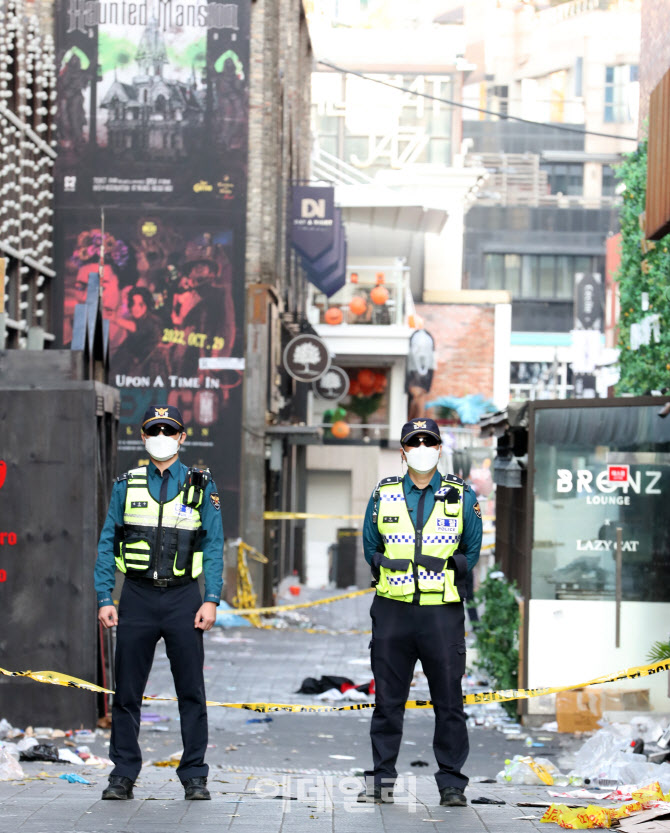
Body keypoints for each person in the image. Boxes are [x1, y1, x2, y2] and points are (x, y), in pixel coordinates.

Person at [95, 405, 224, 801]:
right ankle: (122, 775)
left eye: (169, 431)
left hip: (185, 598)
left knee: (191, 691)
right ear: (144, 437)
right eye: (155, 431)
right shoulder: (127, 484)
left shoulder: (202, 485)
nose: (162, 437)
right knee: (127, 692)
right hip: (136, 596)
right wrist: (105, 596)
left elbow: (214, 544)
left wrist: (212, 599)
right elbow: (106, 543)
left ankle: (195, 776)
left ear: (182, 438)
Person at [359, 418, 482, 807]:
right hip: (393, 612)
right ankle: (381, 780)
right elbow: (370, 546)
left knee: (449, 703)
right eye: (415, 442)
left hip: (441, 614)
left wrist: (447, 569)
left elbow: (472, 550)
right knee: (387, 703)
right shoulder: (384, 493)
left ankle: (451, 784)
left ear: (440, 449)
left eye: (430, 442)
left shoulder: (462, 495)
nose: (423, 448)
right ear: (403, 451)